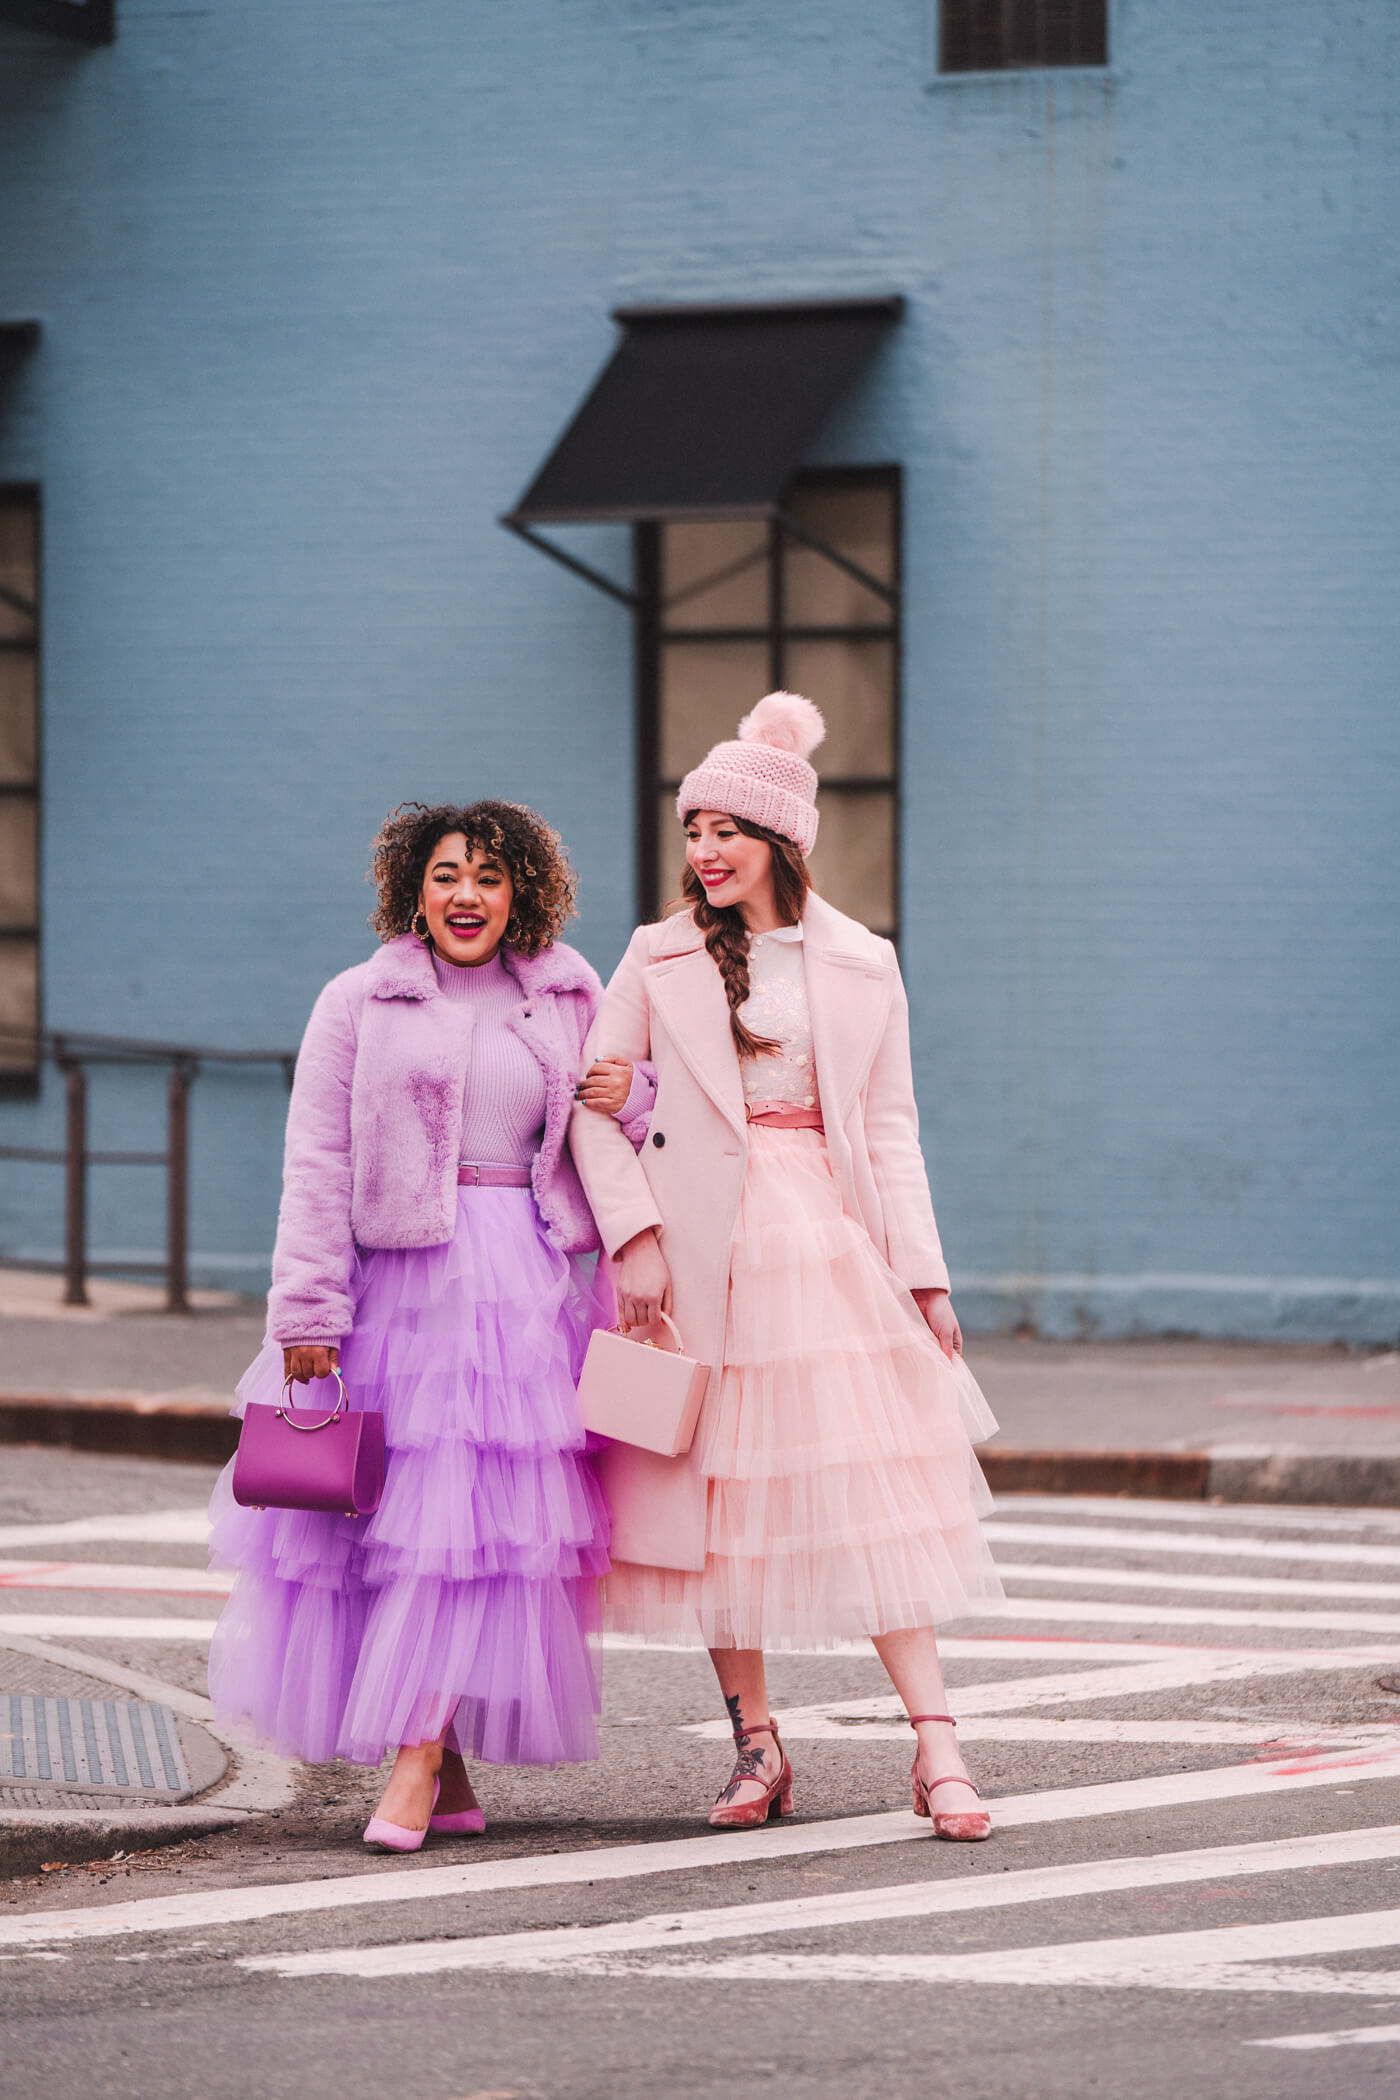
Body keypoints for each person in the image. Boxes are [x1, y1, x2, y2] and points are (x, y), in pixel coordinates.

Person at [570, 694, 1005, 1840]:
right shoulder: (654, 955)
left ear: (782, 841)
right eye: (692, 831)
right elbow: (587, 1106)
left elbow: (892, 1126)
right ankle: (754, 1745)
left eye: (725, 831)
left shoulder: (860, 961)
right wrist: (634, 1239)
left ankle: (937, 1748)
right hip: (698, 1250)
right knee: (716, 1504)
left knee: (868, 1493)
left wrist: (924, 1276)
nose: (703, 852)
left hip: (825, 1249)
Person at [207, 800, 652, 1850]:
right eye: (447, 875)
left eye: (490, 878)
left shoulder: (565, 992)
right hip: (390, 1291)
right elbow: (316, 1162)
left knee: (471, 1540)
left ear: (520, 894)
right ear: (414, 887)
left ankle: (416, 1757)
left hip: (521, 1291)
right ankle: (441, 1768)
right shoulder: (360, 1000)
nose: (467, 896)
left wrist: (629, 1095)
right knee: (387, 1535)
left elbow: (620, 1118)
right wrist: (306, 1310)